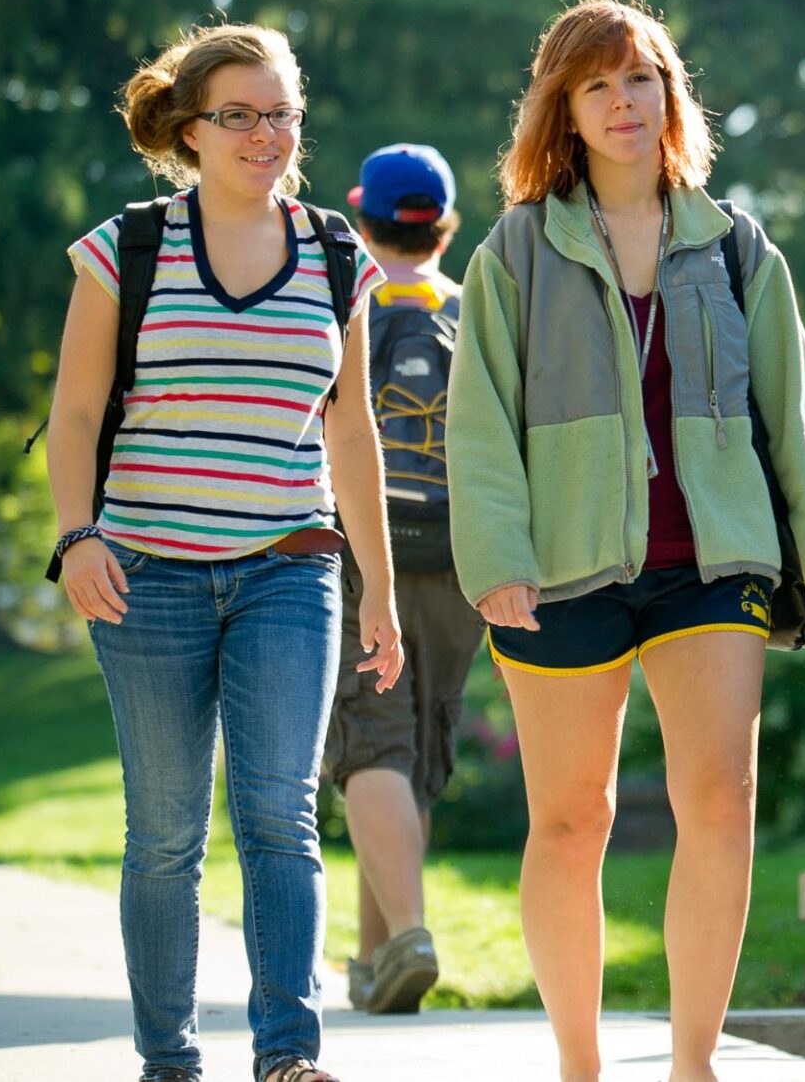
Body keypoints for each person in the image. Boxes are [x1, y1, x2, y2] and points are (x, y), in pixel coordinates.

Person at [447, 0, 805, 1082]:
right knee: (571, 822)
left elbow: (797, 408)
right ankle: (580, 1068)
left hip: (712, 564)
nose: (624, 101)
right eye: (597, 84)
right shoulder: (515, 251)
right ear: (565, 112)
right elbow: (481, 424)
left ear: (670, 93)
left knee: (720, 804)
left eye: (641, 78)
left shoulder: (735, 245)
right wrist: (496, 561)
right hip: (559, 570)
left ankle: (694, 1066)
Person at [45, 22, 403, 1082]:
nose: (265, 134)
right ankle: (170, 1061)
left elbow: (353, 429)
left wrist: (376, 583)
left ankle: (289, 1057)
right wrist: (76, 538)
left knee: (281, 816)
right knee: (163, 834)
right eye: (239, 115)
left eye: (282, 113)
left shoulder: (339, 253)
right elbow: (74, 411)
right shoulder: (130, 247)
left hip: (290, 568)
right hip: (145, 574)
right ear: (191, 130)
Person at [319, 143, 489, 1014]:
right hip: (460, 563)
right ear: (444, 222)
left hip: (364, 553)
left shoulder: (346, 305)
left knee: (369, 745)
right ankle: (374, 959)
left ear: (365, 215)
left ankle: (410, 933)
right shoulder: (475, 313)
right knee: (413, 755)